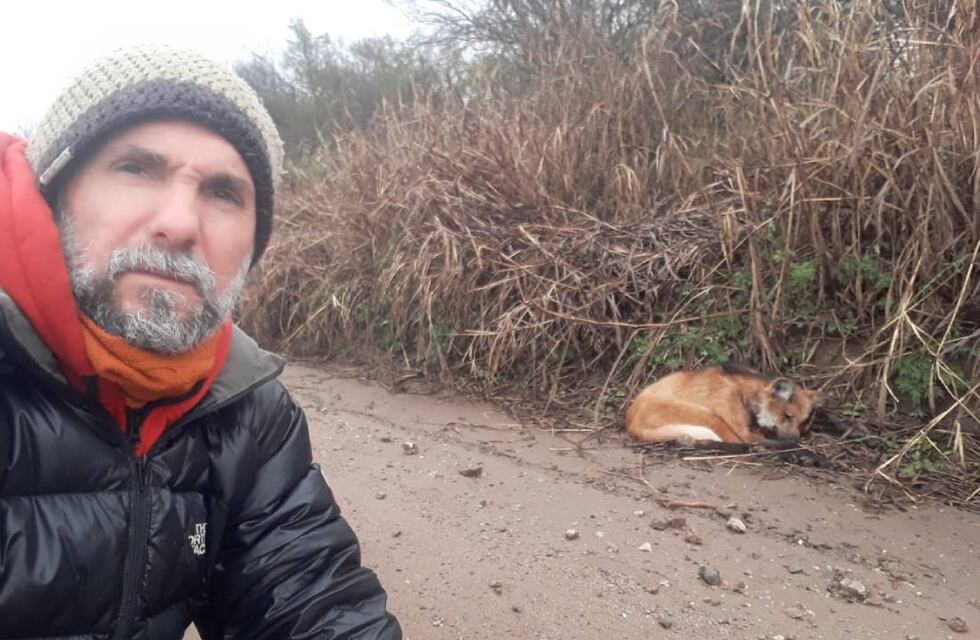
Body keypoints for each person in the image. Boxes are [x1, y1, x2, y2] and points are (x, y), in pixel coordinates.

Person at [0, 45, 402, 639]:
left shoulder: (246, 408)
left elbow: (308, 597)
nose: (181, 223)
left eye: (222, 192)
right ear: (54, 192)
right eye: (136, 168)